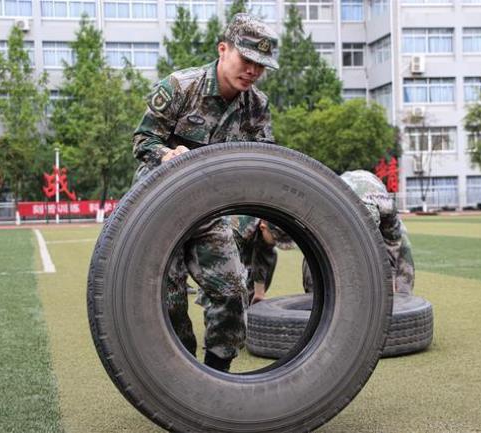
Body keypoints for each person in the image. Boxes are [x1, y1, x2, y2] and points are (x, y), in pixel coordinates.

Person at [131, 13, 279, 372]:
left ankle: (215, 377)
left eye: (261, 66)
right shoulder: (181, 88)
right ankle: (181, 378)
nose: (253, 72)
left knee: (231, 292)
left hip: (210, 211)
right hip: (159, 206)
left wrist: (241, 224)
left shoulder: (256, 106)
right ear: (223, 49)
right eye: (247, 61)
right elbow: (142, 140)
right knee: (168, 300)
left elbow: (262, 166)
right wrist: (167, 154)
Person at [303, 170, 415, 294]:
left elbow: (393, 246)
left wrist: (390, 282)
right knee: (315, 247)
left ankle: (404, 297)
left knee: (404, 245)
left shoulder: (387, 208)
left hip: (371, 192)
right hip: (341, 192)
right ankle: (314, 295)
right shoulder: (328, 209)